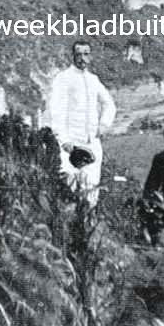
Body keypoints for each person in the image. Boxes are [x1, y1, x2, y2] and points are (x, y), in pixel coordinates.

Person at [47, 40, 116, 207]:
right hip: (71, 144)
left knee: (91, 190)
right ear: (73, 56)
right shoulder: (63, 78)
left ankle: (87, 225)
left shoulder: (93, 80)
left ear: (90, 56)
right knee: (69, 188)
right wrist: (64, 140)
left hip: (92, 143)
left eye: (86, 54)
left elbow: (109, 104)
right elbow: (56, 110)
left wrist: (103, 125)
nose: (82, 59)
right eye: (79, 54)